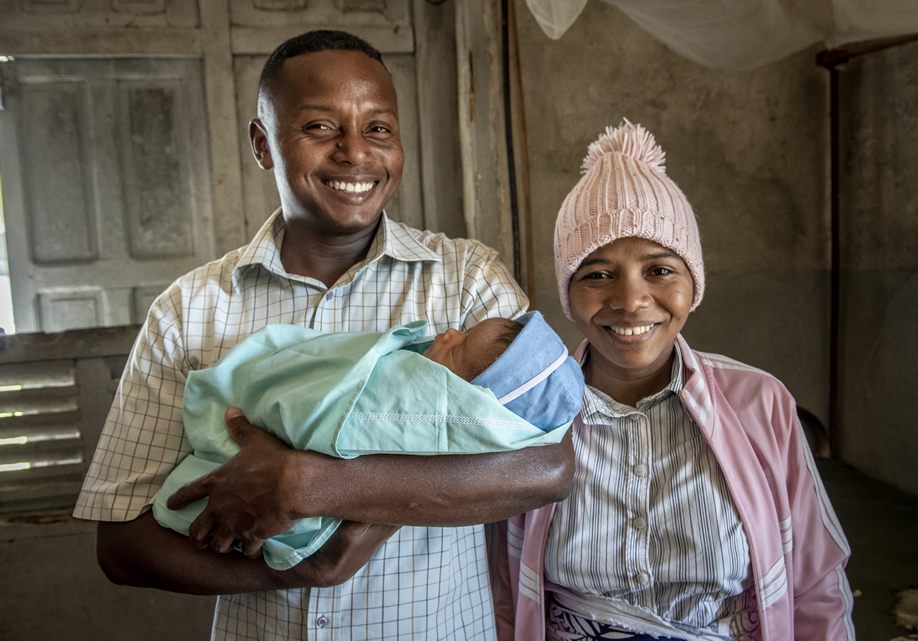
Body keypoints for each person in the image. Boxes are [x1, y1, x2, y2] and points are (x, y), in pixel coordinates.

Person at [73, 29, 574, 641]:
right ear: (263, 144)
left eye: (379, 128)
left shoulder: (466, 282)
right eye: (319, 127)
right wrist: (303, 571)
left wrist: (316, 485)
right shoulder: (190, 310)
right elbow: (121, 545)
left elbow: (548, 466)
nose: (355, 153)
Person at [492, 121, 855, 641]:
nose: (631, 300)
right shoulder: (526, 414)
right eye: (597, 273)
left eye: (660, 269)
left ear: (694, 282)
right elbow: (503, 589)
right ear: (568, 294)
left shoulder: (760, 403)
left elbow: (816, 584)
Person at [153, 312, 583, 571]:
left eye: (459, 348)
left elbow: (552, 468)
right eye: (462, 331)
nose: (449, 332)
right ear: (265, 152)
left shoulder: (473, 274)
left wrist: (302, 482)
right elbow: (118, 554)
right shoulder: (181, 311)